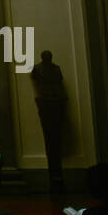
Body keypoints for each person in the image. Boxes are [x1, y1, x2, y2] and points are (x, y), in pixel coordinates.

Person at [31, 50, 67, 191]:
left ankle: (56, 175)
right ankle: (55, 175)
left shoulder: (56, 69)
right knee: (51, 139)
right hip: (46, 103)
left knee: (56, 139)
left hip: (55, 102)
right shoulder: (38, 69)